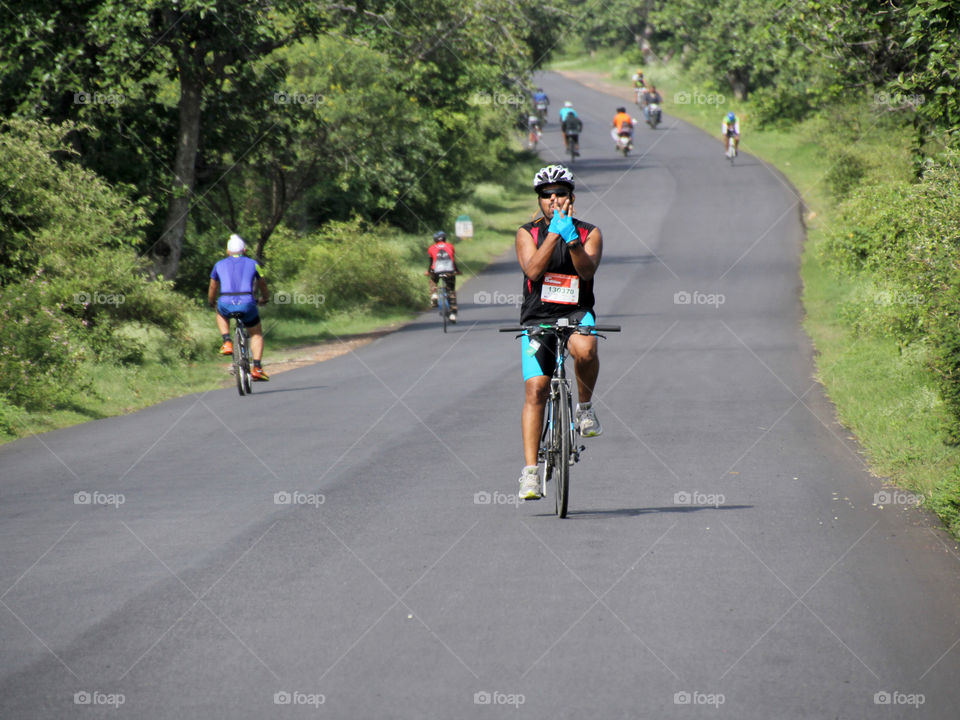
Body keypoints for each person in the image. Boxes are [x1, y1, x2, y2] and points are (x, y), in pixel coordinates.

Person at [514, 165, 605, 500]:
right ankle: (530, 473)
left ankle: (584, 408)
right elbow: (534, 271)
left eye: (560, 194)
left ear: (572, 198)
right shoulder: (527, 233)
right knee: (536, 388)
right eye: (546, 195)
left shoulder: (589, 232)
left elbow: (587, 270)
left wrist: (571, 239)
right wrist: (553, 233)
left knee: (587, 349)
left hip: (576, 310)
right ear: (538, 200)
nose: (554, 200)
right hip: (538, 314)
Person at [208, 234, 270, 380]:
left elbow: (213, 286)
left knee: (220, 311)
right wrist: (265, 298)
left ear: (228, 251)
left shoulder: (218, 265)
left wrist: (211, 302)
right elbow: (263, 283)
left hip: (225, 302)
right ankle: (257, 368)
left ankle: (227, 342)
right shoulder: (253, 264)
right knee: (256, 333)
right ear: (245, 250)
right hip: (248, 302)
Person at [426, 230, 460, 322]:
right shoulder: (450, 246)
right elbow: (453, 261)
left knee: (433, 280)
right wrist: (457, 271)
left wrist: (429, 272)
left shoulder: (431, 248)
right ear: (445, 239)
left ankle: (434, 294)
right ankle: (452, 313)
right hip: (449, 270)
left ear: (435, 240)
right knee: (451, 290)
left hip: (436, 271)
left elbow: (431, 263)